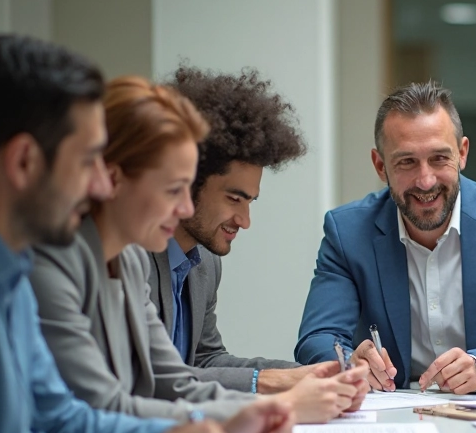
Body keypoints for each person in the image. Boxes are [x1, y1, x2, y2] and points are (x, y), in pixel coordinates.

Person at [0, 35, 292, 433]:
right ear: (25, 161)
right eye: (90, 159)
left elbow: (64, 419)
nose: (101, 184)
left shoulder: (3, 252)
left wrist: (215, 432)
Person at [30, 75, 366, 424]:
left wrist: (292, 386)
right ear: (113, 178)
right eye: (173, 189)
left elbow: (176, 380)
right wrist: (278, 406)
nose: (183, 208)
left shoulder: (128, 260)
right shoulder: (55, 263)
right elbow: (111, 405)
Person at [295, 81, 476, 394]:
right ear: (380, 165)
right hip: (389, 412)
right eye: (406, 162)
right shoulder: (347, 232)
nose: (426, 180)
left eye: (439, 159)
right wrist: (350, 363)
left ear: (463, 153)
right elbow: (317, 338)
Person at [148, 65, 368, 406]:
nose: (245, 220)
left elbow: (204, 360)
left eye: (250, 201)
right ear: (187, 181)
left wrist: (310, 374)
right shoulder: (131, 254)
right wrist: (272, 383)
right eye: (234, 198)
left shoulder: (204, 261)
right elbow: (150, 377)